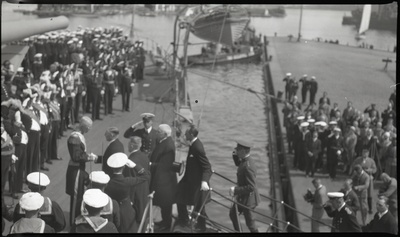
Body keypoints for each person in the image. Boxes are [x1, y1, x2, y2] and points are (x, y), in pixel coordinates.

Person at [176, 125, 212, 232]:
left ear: (191, 135)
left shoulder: (197, 147)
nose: (185, 134)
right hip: (190, 181)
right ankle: (187, 221)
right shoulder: (193, 145)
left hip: (197, 184)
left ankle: (196, 225)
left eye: (186, 133)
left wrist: (204, 181)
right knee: (182, 198)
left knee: (198, 206)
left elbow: (207, 167)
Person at [104, 152, 149, 233]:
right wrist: (135, 166)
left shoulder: (107, 183)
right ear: (124, 167)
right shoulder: (127, 181)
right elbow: (145, 176)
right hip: (126, 210)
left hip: (111, 209)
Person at [65, 116, 98, 225]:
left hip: (78, 170)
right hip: (76, 170)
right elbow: (76, 156)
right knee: (76, 198)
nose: (89, 130)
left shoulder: (79, 136)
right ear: (84, 127)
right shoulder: (75, 137)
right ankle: (73, 223)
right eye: (88, 127)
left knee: (79, 196)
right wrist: (89, 157)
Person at [149, 124, 178, 231]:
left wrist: (151, 165)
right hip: (162, 180)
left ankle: (167, 224)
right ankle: (165, 221)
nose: (157, 133)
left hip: (165, 182)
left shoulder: (168, 146)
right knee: (163, 203)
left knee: (165, 204)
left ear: (164, 134)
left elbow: (164, 166)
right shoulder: (163, 142)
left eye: (159, 132)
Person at [229, 140, 260, 233]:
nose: (236, 150)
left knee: (250, 224)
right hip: (243, 198)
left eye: (238, 149)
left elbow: (251, 187)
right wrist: (235, 156)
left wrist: (235, 190)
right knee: (233, 214)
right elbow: (239, 165)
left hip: (249, 200)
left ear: (243, 151)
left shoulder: (248, 166)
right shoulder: (244, 161)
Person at [123, 136, 150, 231]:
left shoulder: (131, 160)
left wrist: (130, 198)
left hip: (135, 194)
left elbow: (130, 181)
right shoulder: (144, 156)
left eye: (128, 144)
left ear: (131, 145)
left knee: (136, 220)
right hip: (144, 191)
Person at [352, 148, 377, 214]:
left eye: (366, 153)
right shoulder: (358, 160)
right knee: (358, 192)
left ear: (368, 154)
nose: (365, 154)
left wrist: (370, 170)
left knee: (369, 194)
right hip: (359, 178)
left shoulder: (371, 161)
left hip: (368, 178)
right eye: (363, 153)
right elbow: (353, 166)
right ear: (362, 153)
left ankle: (370, 208)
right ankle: (357, 206)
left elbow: (375, 169)